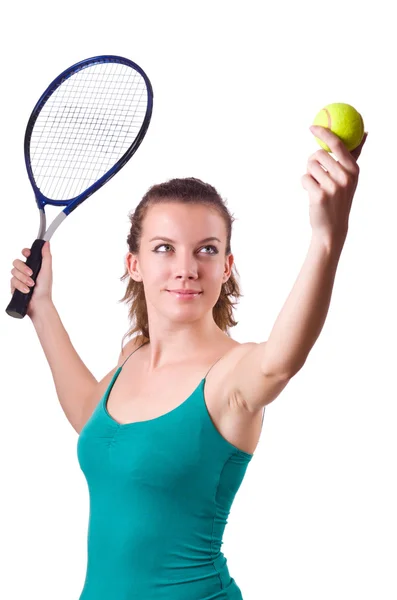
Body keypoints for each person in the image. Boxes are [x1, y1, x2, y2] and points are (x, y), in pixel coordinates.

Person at [9, 125, 367, 599]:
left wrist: (328, 238)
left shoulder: (231, 376)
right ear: (134, 264)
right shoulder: (132, 357)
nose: (186, 267)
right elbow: (89, 417)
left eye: (206, 250)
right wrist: (43, 308)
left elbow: (280, 362)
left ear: (225, 265)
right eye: (164, 248)